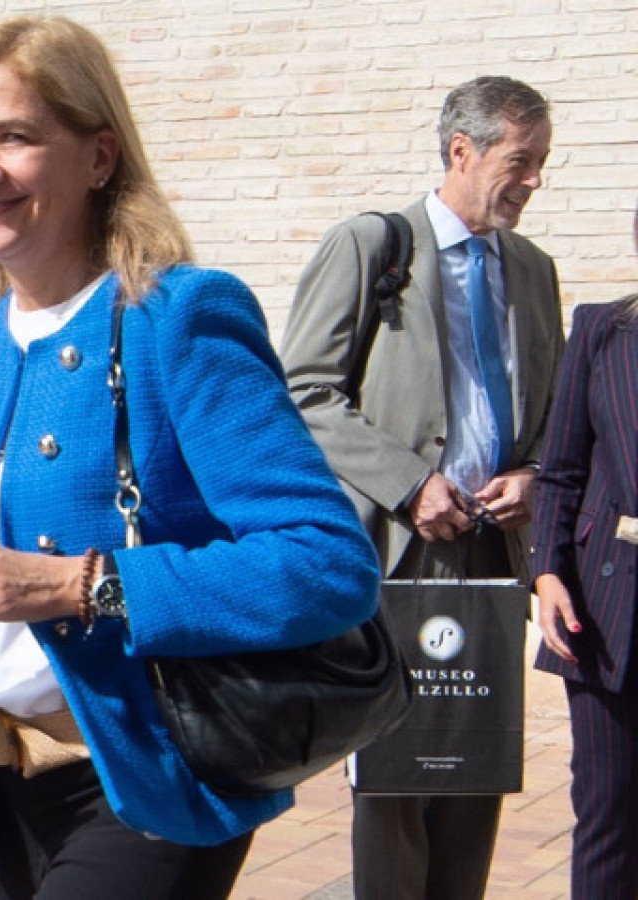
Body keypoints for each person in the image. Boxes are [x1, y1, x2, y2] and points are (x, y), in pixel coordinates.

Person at [0, 15, 381, 900]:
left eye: (13, 137)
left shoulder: (178, 318)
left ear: (99, 155)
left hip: (150, 779)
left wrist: (78, 584)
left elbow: (329, 563)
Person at [279, 76, 565, 900]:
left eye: (543, 162)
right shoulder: (374, 246)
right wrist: (409, 485)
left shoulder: (533, 269)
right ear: (461, 150)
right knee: (398, 771)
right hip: (403, 552)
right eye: (521, 160)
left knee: (479, 764)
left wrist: (532, 474)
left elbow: (551, 404)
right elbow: (303, 391)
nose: (536, 179)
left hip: (493, 552)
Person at [531, 208, 638, 900]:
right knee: (608, 812)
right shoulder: (604, 329)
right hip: (609, 608)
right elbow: (561, 468)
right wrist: (546, 571)